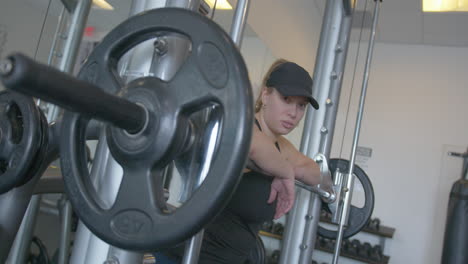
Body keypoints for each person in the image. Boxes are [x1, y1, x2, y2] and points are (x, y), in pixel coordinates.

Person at [159, 59, 322, 264]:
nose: (293, 113)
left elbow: (314, 172)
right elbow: (252, 145)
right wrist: (286, 171)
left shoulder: (281, 147)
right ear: (265, 95)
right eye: (286, 99)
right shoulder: (242, 125)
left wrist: (284, 168)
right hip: (185, 256)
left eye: (301, 106)